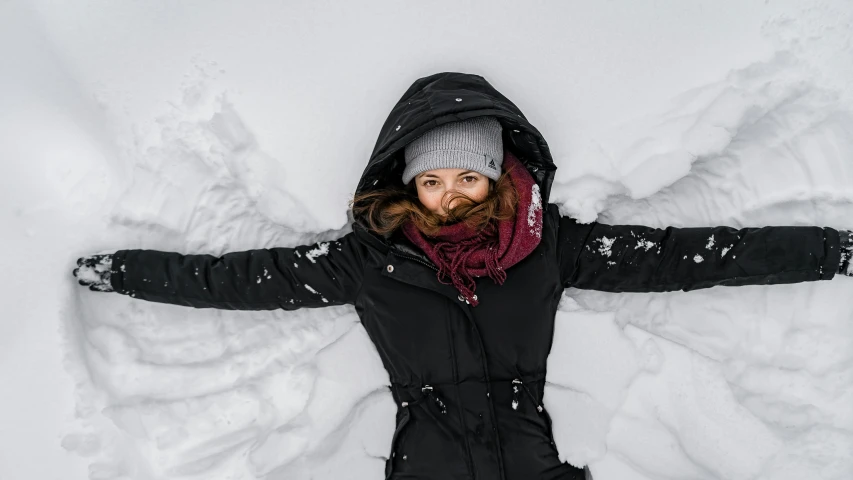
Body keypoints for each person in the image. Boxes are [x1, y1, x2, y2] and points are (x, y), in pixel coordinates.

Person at [73, 72, 853, 480]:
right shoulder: (369, 260)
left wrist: (830, 251)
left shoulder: (549, 248)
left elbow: (695, 256)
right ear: (406, 184)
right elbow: (233, 281)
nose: (449, 195)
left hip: (533, 459)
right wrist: (119, 271)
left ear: (496, 178)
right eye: (432, 181)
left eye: (467, 178)